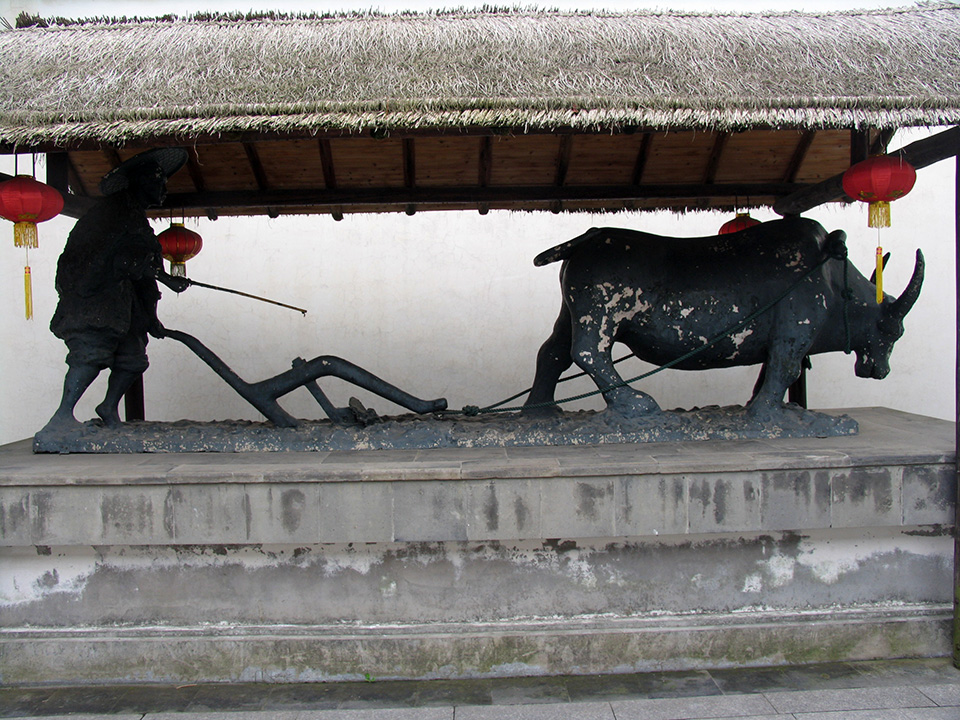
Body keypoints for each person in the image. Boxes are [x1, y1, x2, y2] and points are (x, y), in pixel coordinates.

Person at [42, 148, 190, 432]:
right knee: (90, 355)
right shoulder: (113, 212)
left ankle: (108, 406)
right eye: (158, 181)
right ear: (140, 182)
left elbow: (144, 269)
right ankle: (61, 416)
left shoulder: (136, 216)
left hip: (125, 304)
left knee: (133, 360)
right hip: (95, 300)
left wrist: (151, 316)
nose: (164, 188)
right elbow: (121, 258)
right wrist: (164, 277)